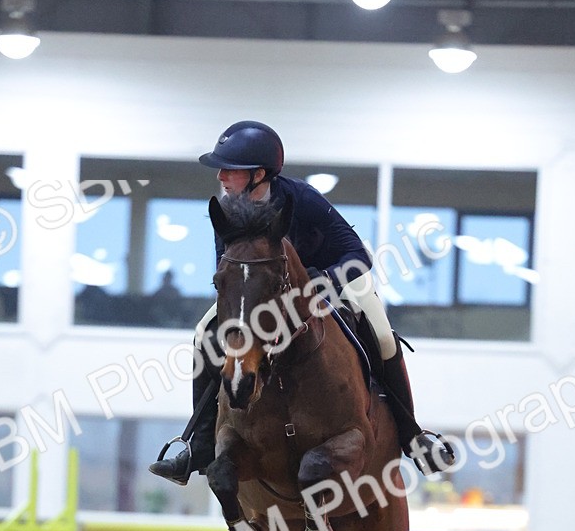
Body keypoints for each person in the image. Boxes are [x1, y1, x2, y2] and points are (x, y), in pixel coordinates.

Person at [150, 120, 454, 485]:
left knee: (383, 336)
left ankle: (412, 435)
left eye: (230, 169)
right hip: (261, 296)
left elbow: (357, 255)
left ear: (259, 174)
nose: (221, 177)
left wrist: (320, 282)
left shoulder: (301, 198)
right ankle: (198, 444)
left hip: (333, 282)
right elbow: (226, 267)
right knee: (203, 335)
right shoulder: (226, 211)